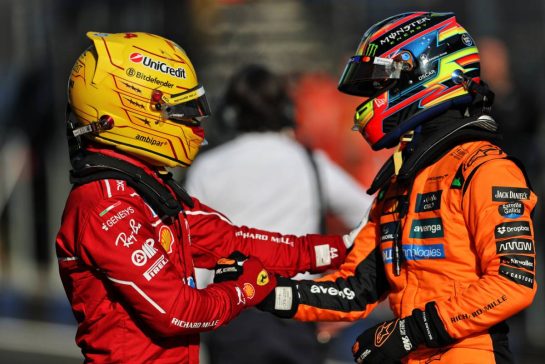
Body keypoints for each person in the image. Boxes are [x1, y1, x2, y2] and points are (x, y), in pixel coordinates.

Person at [55, 32, 356, 363]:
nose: (194, 122)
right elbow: (176, 312)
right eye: (181, 110)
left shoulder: (147, 188)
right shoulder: (104, 205)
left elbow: (234, 241)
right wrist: (245, 289)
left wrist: (341, 249)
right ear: (135, 111)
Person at [254, 12, 538, 364]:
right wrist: (262, 289)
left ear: (425, 72)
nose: (372, 100)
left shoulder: (486, 168)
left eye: (382, 85)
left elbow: (512, 283)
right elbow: (355, 290)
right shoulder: (399, 182)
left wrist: (409, 333)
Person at [184, 64, 374, 364]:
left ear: (229, 113)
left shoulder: (207, 168)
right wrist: (352, 290)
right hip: (297, 315)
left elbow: (191, 256)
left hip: (232, 322)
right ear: (286, 110)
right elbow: (373, 215)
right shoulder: (308, 161)